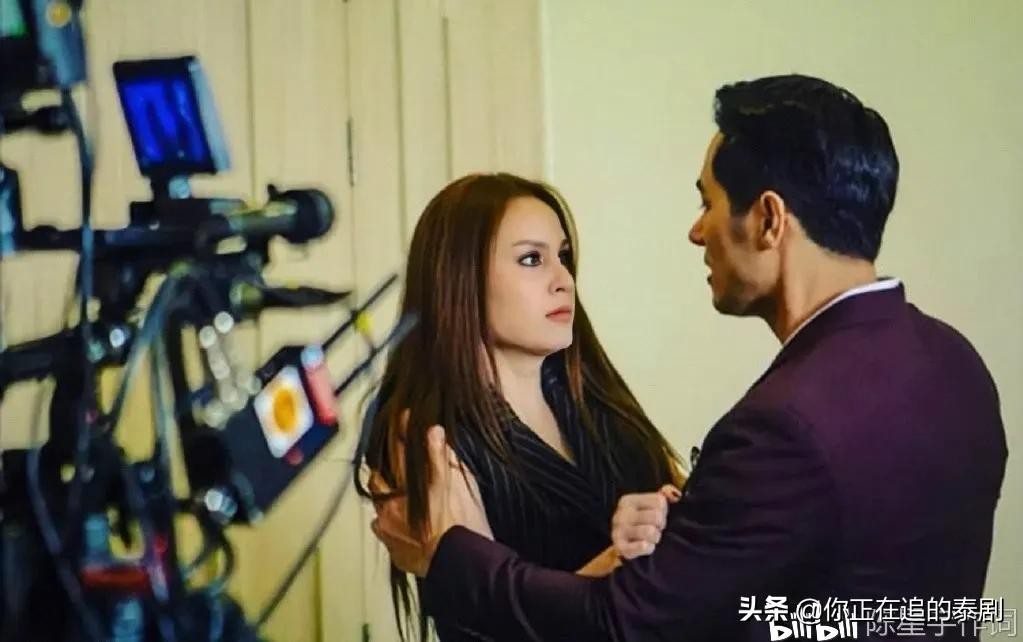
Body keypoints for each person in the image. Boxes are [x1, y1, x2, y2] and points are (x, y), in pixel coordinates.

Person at [369, 75, 1008, 641]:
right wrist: (676, 548)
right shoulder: (956, 364)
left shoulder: (779, 427)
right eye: (532, 259)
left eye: (708, 202)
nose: (697, 231)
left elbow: (625, 623)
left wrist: (452, 555)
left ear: (769, 220)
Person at [358, 172, 685, 641]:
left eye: (563, 257)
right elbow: (487, 615)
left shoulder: (596, 399)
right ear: (460, 277)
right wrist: (622, 566)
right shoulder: (429, 437)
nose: (563, 280)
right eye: (532, 259)